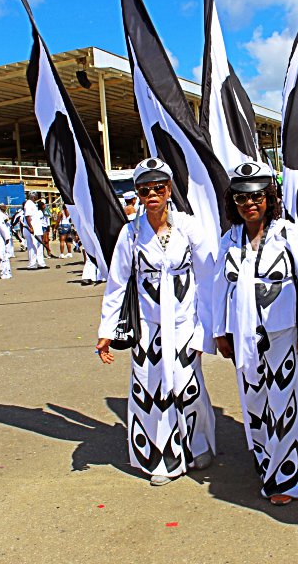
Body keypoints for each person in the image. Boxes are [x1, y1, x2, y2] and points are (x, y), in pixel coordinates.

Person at [212, 161, 298, 506]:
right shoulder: (229, 239)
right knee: (254, 403)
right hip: (243, 336)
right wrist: (220, 331)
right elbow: (220, 288)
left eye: (258, 197)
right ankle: (267, 463)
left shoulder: (287, 233)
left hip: (281, 334)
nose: (250, 204)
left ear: (270, 198)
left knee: (283, 402)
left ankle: (291, 478)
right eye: (242, 198)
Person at [96, 158, 216, 486]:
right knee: (152, 390)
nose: (152, 194)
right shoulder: (131, 234)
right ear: (137, 193)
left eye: (159, 187)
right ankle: (162, 456)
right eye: (145, 189)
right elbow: (117, 284)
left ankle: (197, 444)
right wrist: (106, 331)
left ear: (169, 189)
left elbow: (207, 280)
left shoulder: (189, 227)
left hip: (184, 325)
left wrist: (206, 331)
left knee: (188, 387)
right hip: (148, 328)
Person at [23, 192, 46, 269]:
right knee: (32, 246)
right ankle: (32, 264)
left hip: (37, 228)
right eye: (36, 196)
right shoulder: (28, 204)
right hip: (33, 229)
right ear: (33, 196)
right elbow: (27, 216)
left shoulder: (33, 204)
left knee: (39, 246)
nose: (37, 197)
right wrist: (31, 227)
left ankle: (41, 263)